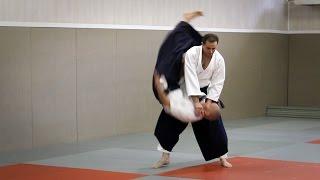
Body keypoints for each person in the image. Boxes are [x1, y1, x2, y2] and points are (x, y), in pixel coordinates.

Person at [152, 11, 232, 168]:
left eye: (214, 49)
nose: (211, 51)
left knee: (214, 125)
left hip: (205, 91)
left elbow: (217, 83)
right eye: (208, 48)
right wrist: (195, 102)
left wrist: (209, 102)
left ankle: (222, 157)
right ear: (202, 44)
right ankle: (165, 156)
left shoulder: (219, 60)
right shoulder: (191, 54)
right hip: (186, 87)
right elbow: (190, 77)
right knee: (168, 124)